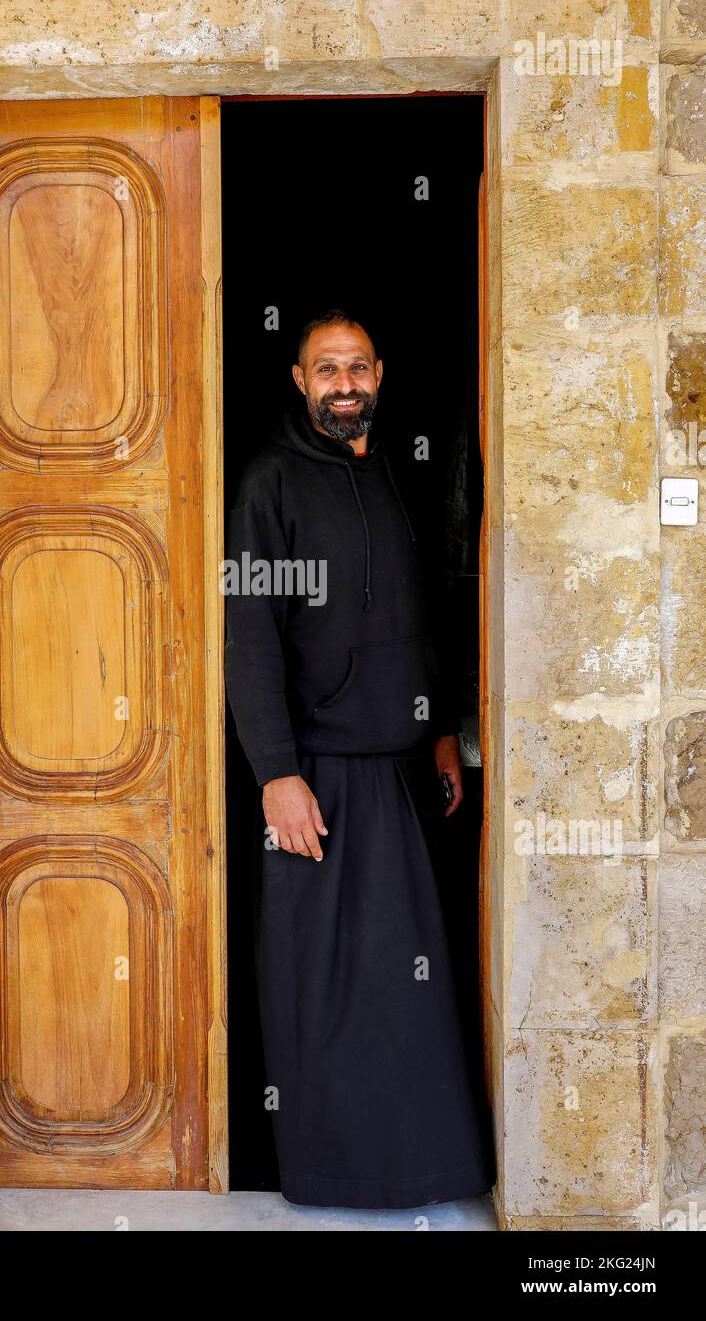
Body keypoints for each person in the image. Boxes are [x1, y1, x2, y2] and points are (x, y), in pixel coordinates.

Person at [223, 308, 496, 1209]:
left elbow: (423, 618)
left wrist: (446, 731)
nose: (345, 384)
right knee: (328, 993)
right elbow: (250, 639)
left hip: (402, 773)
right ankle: (327, 1174)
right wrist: (276, 775)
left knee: (408, 997)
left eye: (358, 367)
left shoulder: (394, 477)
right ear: (300, 382)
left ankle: (424, 1172)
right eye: (325, 369)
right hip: (317, 782)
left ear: (380, 372)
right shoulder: (268, 484)